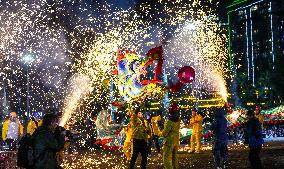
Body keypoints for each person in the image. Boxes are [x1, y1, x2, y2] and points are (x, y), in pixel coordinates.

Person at [156, 102, 180, 169]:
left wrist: (158, 132)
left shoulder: (169, 120)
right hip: (176, 141)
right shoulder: (178, 119)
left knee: (166, 159)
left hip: (169, 142)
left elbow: (164, 133)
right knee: (174, 158)